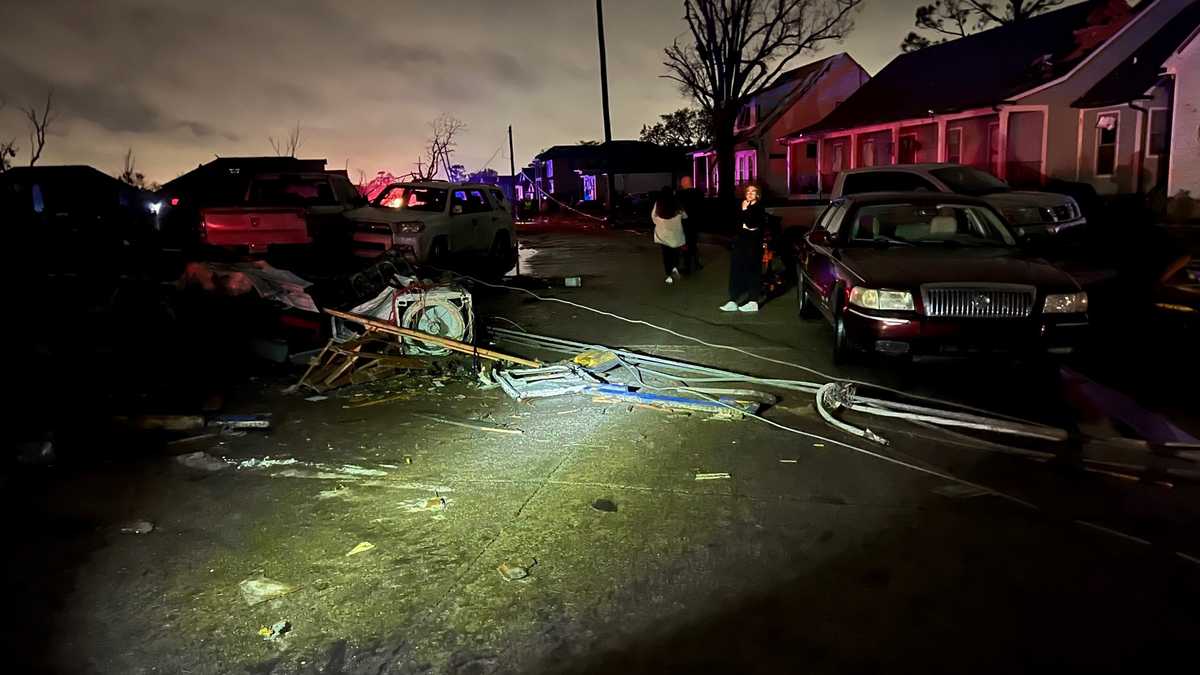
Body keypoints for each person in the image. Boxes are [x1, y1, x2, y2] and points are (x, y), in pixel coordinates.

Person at [721, 184, 766, 312]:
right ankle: (733, 299)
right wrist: (745, 220)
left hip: (753, 245)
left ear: (757, 194)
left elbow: (752, 224)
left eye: (753, 191)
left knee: (752, 271)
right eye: (748, 191)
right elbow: (739, 225)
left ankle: (753, 301)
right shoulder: (742, 205)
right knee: (736, 271)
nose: (750, 193)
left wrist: (745, 212)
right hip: (740, 243)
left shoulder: (758, 208)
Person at [651, 186, 686, 285]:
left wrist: (659, 223)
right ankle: (675, 266)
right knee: (675, 252)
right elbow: (684, 215)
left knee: (666, 254)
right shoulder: (677, 203)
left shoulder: (659, 203)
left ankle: (668, 275)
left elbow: (653, 216)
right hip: (676, 234)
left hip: (663, 234)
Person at [677, 175, 703, 273]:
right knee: (694, 243)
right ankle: (696, 264)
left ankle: (687, 266)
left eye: (682, 182)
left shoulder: (681, 194)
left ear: (684, 183)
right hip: (696, 223)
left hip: (685, 224)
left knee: (685, 244)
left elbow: (679, 209)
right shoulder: (699, 193)